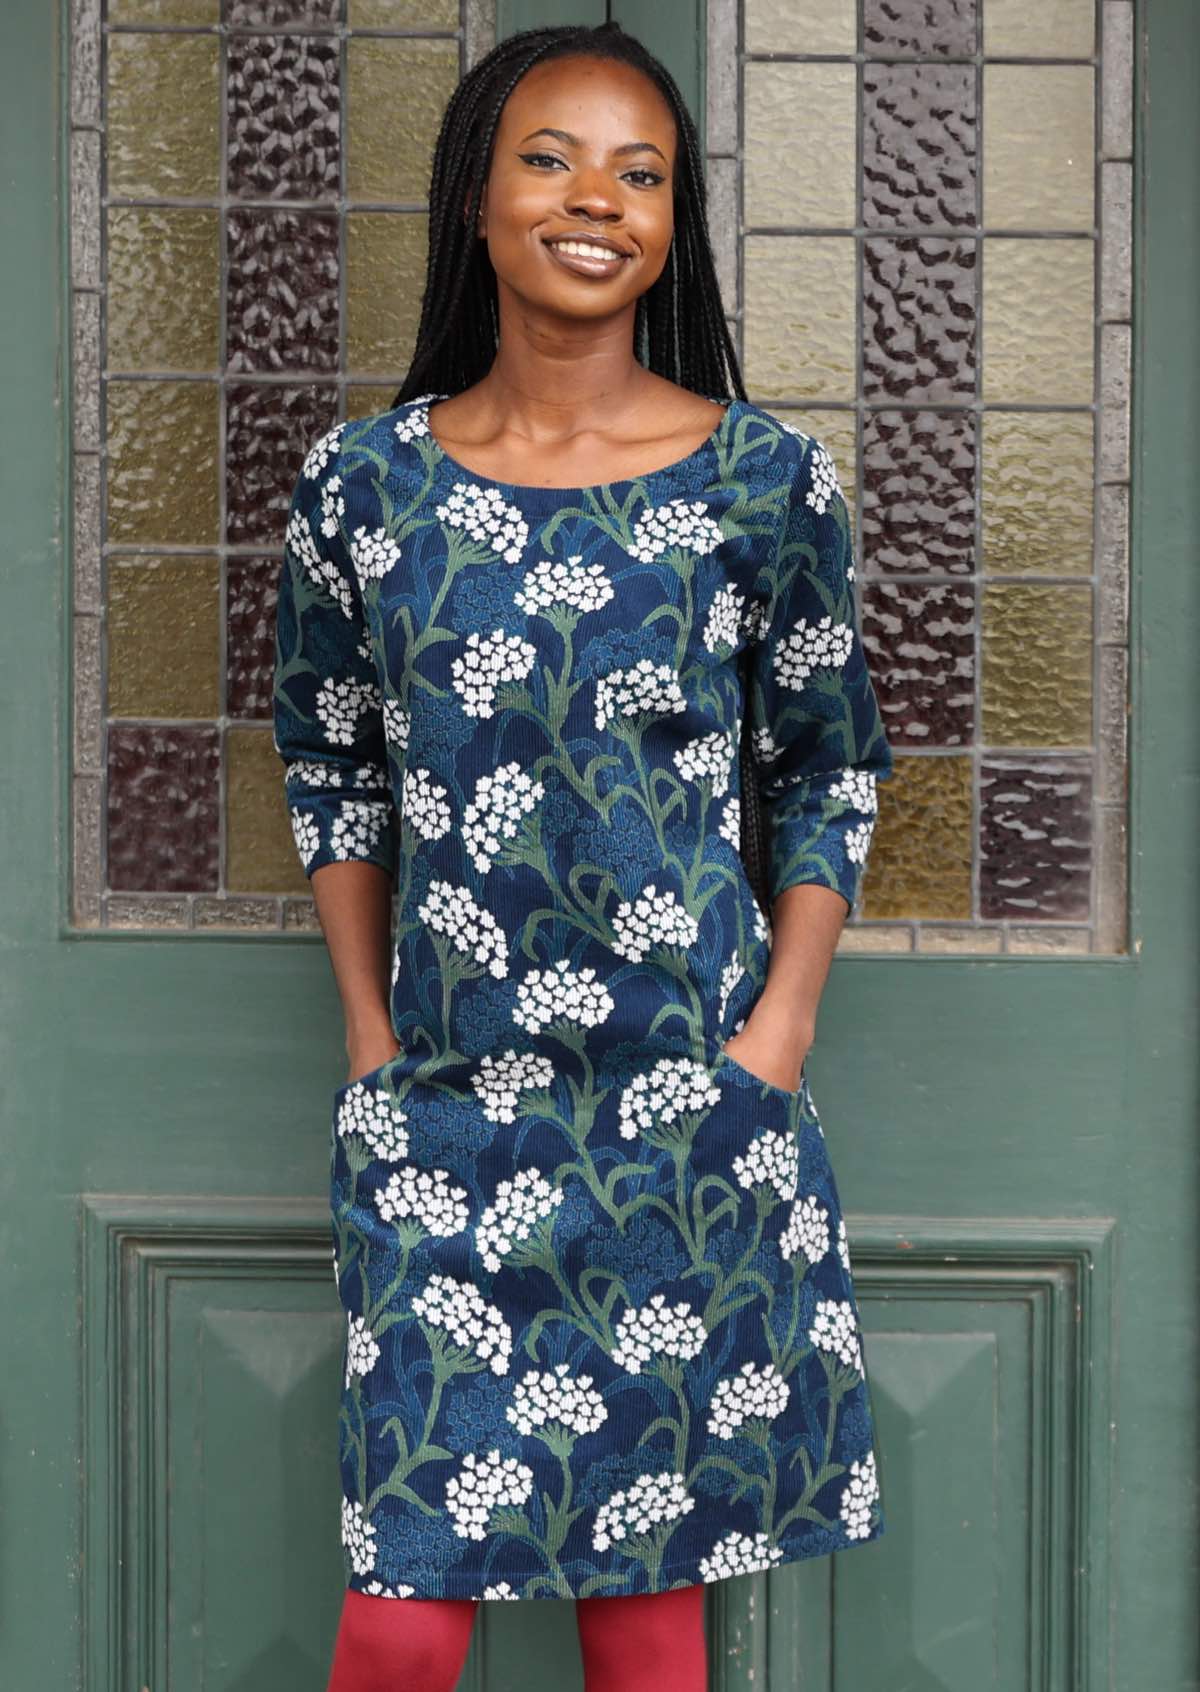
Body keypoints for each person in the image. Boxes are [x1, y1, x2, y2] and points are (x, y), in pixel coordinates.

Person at [272, 19, 894, 1692]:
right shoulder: (363, 488)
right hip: (447, 1120)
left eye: (641, 172)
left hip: (685, 1121)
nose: (594, 200)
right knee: (400, 1628)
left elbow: (830, 766)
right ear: (474, 197)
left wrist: (779, 1038)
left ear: (673, 223)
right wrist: (371, 1039)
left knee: (645, 1624)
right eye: (548, 159)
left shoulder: (763, 481)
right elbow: (332, 770)